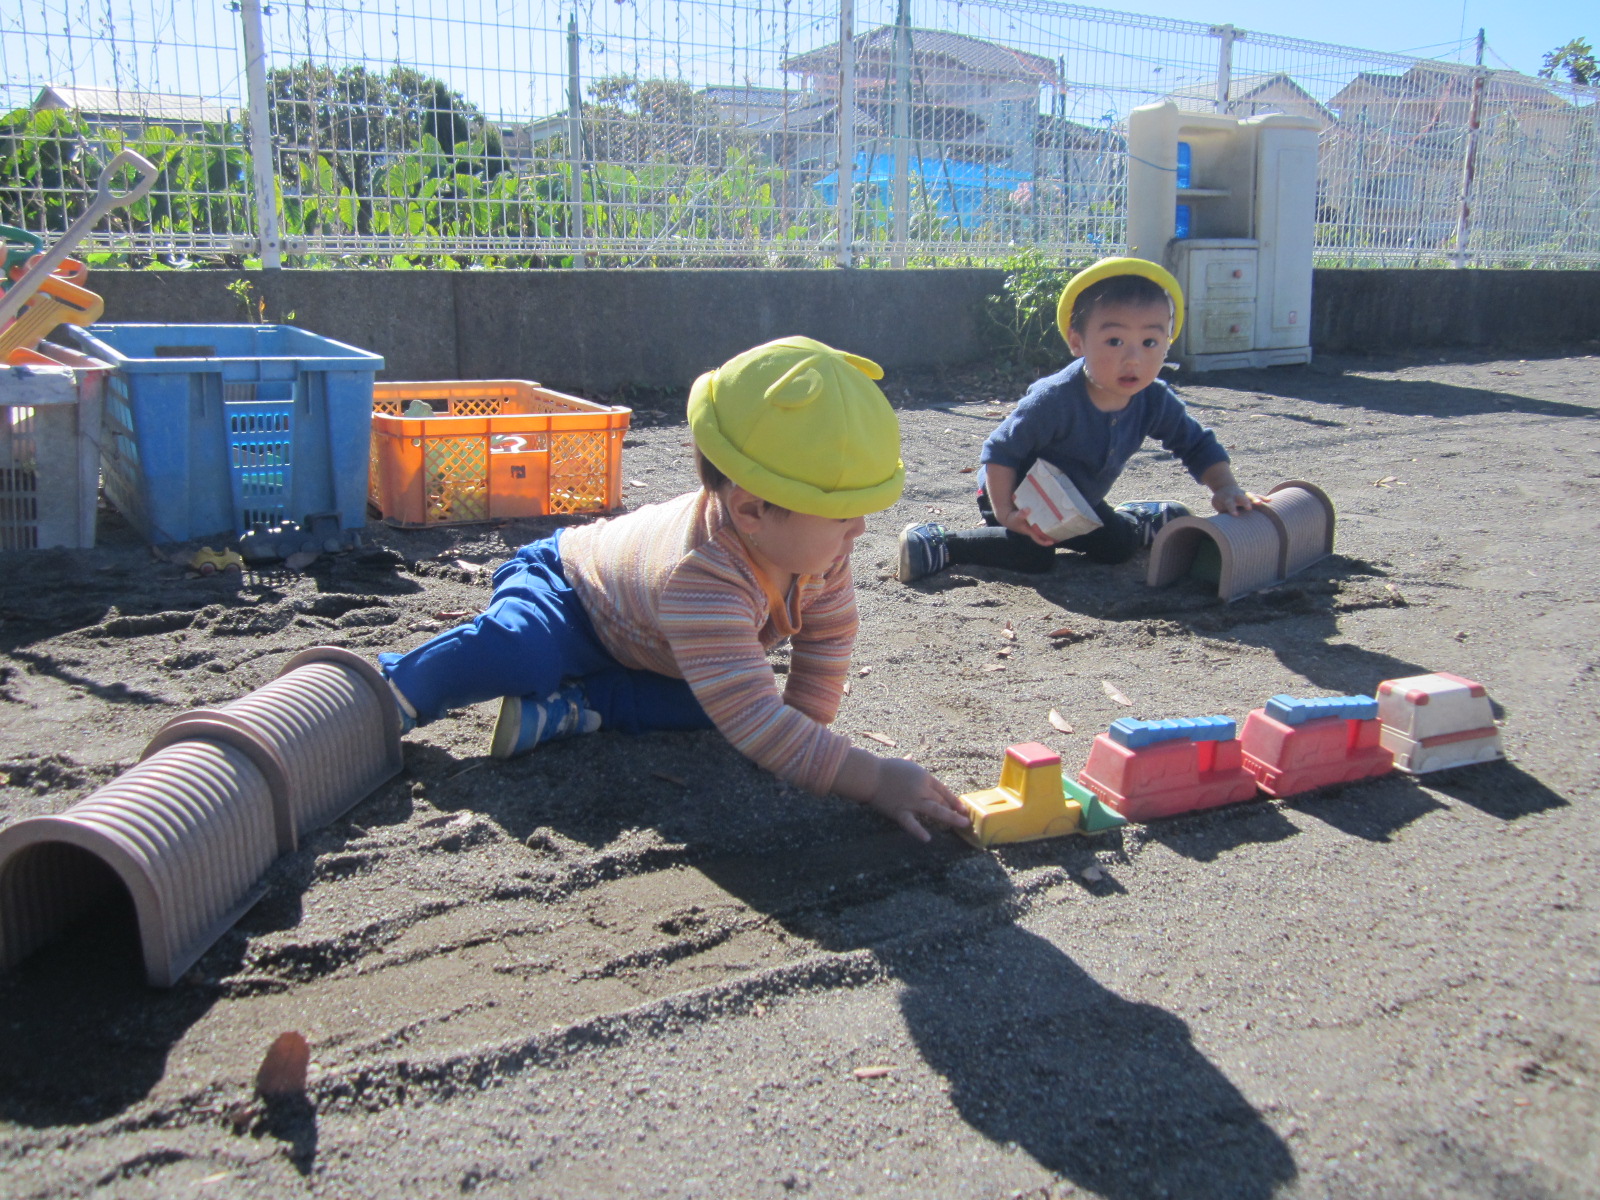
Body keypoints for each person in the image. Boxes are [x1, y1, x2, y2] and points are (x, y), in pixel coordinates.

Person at [379, 336, 970, 842]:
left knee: (730, 709)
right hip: (569, 591)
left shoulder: (819, 554)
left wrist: (806, 737)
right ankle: (399, 691)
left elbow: (828, 634)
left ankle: (579, 708)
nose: (860, 531)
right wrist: (871, 779)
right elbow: (764, 726)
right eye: (842, 513)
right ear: (750, 509)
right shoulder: (704, 579)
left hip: (656, 647)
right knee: (522, 652)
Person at [897, 257, 1256, 581]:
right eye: (1115, 341)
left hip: (1077, 499)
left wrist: (1224, 487)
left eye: (1149, 342)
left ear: (1167, 344)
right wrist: (1006, 513)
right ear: (1077, 342)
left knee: (1117, 547)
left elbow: (1194, 443)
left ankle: (1136, 521)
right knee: (1033, 554)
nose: (1133, 359)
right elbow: (1000, 452)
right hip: (1018, 488)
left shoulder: (1153, 399)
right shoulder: (1055, 399)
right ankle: (940, 543)